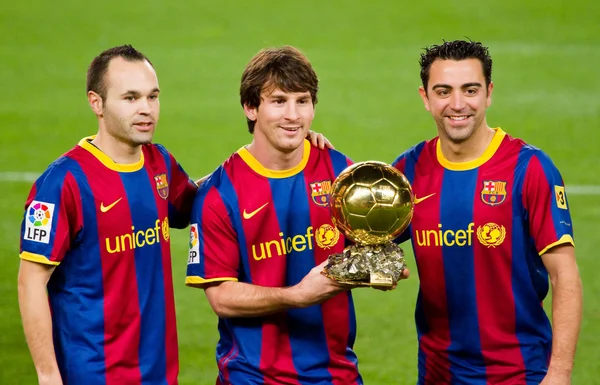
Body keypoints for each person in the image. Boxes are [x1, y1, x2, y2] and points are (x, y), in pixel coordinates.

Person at [392, 40, 583, 384]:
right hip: (438, 373)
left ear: (489, 93)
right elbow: (359, 238)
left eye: (470, 89)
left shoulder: (529, 168)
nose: (457, 104)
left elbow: (564, 276)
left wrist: (559, 373)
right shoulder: (409, 169)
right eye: (443, 91)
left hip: (518, 372)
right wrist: (310, 147)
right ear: (425, 97)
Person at [185, 46, 374, 385]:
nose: (293, 115)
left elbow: (368, 244)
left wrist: (378, 265)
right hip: (252, 377)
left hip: (336, 375)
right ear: (250, 107)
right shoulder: (218, 195)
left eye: (302, 101)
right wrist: (297, 295)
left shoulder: (338, 170)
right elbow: (221, 297)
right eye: (279, 101)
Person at [17, 45, 198, 385]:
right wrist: (47, 374)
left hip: (159, 374)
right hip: (92, 373)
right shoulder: (63, 183)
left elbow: (200, 203)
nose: (146, 109)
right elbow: (31, 281)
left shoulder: (159, 162)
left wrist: (265, 156)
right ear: (96, 103)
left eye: (152, 96)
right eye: (130, 98)